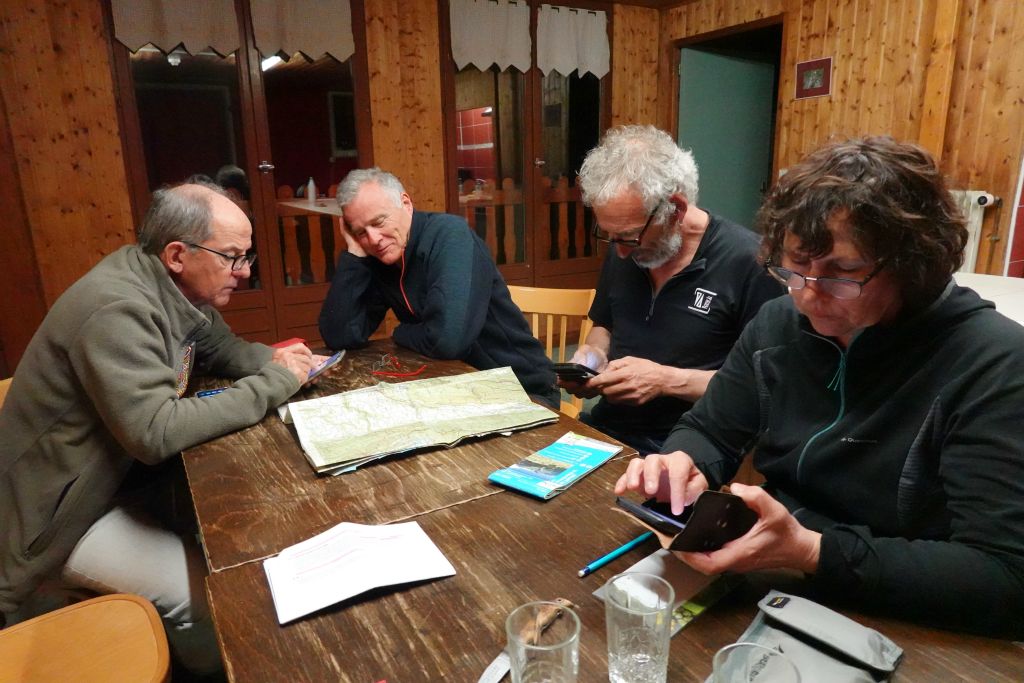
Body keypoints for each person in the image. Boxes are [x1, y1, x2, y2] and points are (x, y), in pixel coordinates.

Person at [614, 136, 1024, 638]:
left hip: (910, 608)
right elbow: (710, 429)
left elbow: (1004, 578)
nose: (808, 296)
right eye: (793, 268)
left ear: (913, 262)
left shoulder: (995, 364)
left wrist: (811, 550)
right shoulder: (777, 324)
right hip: (773, 576)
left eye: (842, 274)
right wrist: (683, 463)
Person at [0, 181, 324, 672]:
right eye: (233, 257)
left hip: (114, 479)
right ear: (178, 254)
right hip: (58, 519)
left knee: (238, 527)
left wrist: (283, 361)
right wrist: (273, 384)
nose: (244, 271)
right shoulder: (117, 307)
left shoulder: (174, 287)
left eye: (246, 256)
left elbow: (224, 349)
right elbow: (155, 432)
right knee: (203, 598)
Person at [565, 125, 784, 454]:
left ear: (676, 210)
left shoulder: (751, 263)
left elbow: (764, 385)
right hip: (609, 426)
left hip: (692, 440)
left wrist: (666, 381)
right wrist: (592, 358)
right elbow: (604, 326)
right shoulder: (623, 245)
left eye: (630, 236)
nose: (620, 251)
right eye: (610, 236)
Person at [318, 167, 559, 408]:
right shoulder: (380, 256)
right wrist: (354, 255)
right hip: (459, 387)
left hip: (524, 390)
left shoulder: (449, 236)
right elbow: (340, 336)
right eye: (360, 232)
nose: (373, 239)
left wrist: (401, 332)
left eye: (378, 222)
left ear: (406, 203)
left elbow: (446, 341)